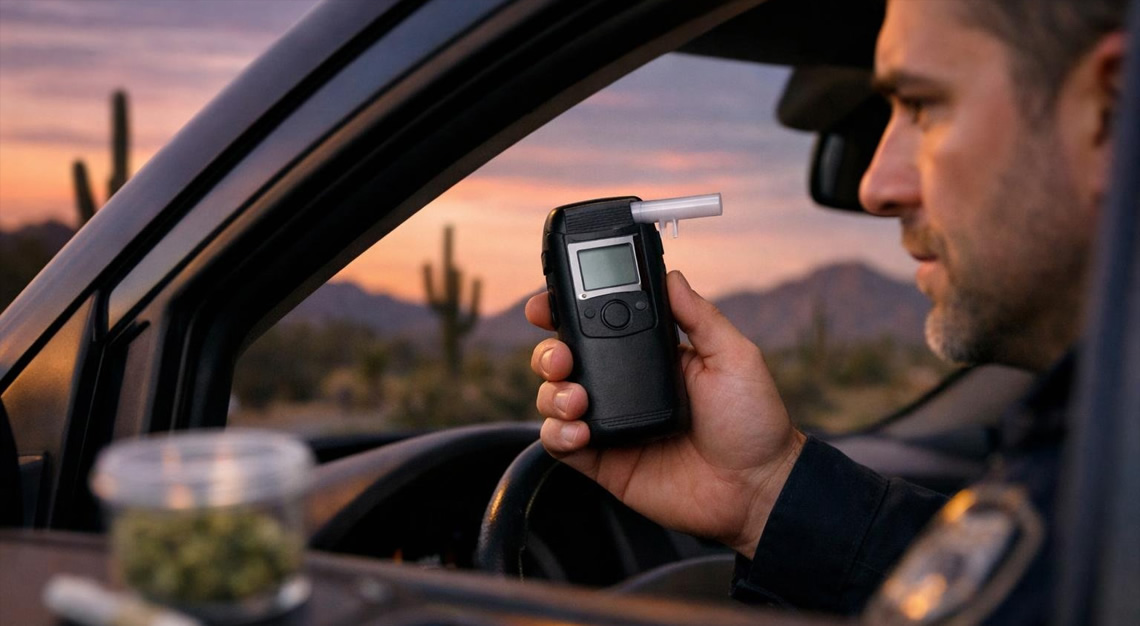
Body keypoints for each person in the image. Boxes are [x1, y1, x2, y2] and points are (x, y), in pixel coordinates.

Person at [524, 0, 1129, 621]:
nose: (876, 187)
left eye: (923, 106)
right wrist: (761, 491)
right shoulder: (1102, 472)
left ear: (1110, 112)